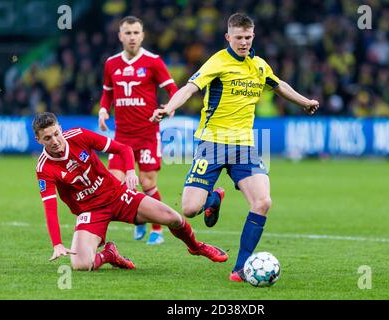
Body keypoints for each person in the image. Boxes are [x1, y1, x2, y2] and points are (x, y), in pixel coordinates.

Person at [151, 13, 319, 282]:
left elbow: (278, 85)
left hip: (244, 147)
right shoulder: (218, 61)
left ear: (253, 37)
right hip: (212, 143)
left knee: (263, 202)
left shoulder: (259, 65)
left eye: (247, 37)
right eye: (238, 37)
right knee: (189, 209)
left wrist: (304, 101)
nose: (243, 42)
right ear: (228, 37)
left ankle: (240, 268)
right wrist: (169, 107)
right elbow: (190, 88)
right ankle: (213, 198)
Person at [34, 112, 228, 271]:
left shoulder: (79, 135)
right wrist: (57, 244)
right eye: (47, 138)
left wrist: (129, 171)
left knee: (174, 218)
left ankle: (196, 247)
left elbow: (123, 149)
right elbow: (50, 208)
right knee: (80, 264)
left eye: (56, 133)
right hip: (90, 211)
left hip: (117, 196)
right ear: (39, 140)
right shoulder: (44, 168)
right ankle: (109, 254)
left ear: (61, 128)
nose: (55, 141)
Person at [98, 16, 178, 245]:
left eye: (136, 33)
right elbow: (107, 93)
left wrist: (169, 107)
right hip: (121, 137)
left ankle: (157, 229)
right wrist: (103, 110)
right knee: (115, 183)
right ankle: (137, 218)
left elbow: (172, 89)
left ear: (142, 35)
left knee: (147, 182)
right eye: (128, 33)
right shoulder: (111, 63)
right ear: (120, 36)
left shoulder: (153, 62)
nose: (132, 37)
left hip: (147, 134)